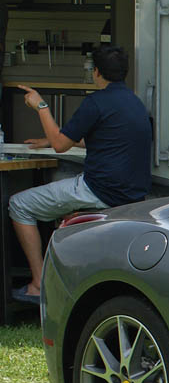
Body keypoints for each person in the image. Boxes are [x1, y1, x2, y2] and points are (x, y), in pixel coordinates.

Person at [7, 45, 151, 304]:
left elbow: (61, 145)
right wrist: (49, 140)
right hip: (131, 192)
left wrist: (41, 106)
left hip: (98, 190)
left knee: (19, 205)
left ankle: (38, 284)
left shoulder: (96, 102)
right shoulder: (134, 102)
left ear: (96, 72)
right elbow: (100, 139)